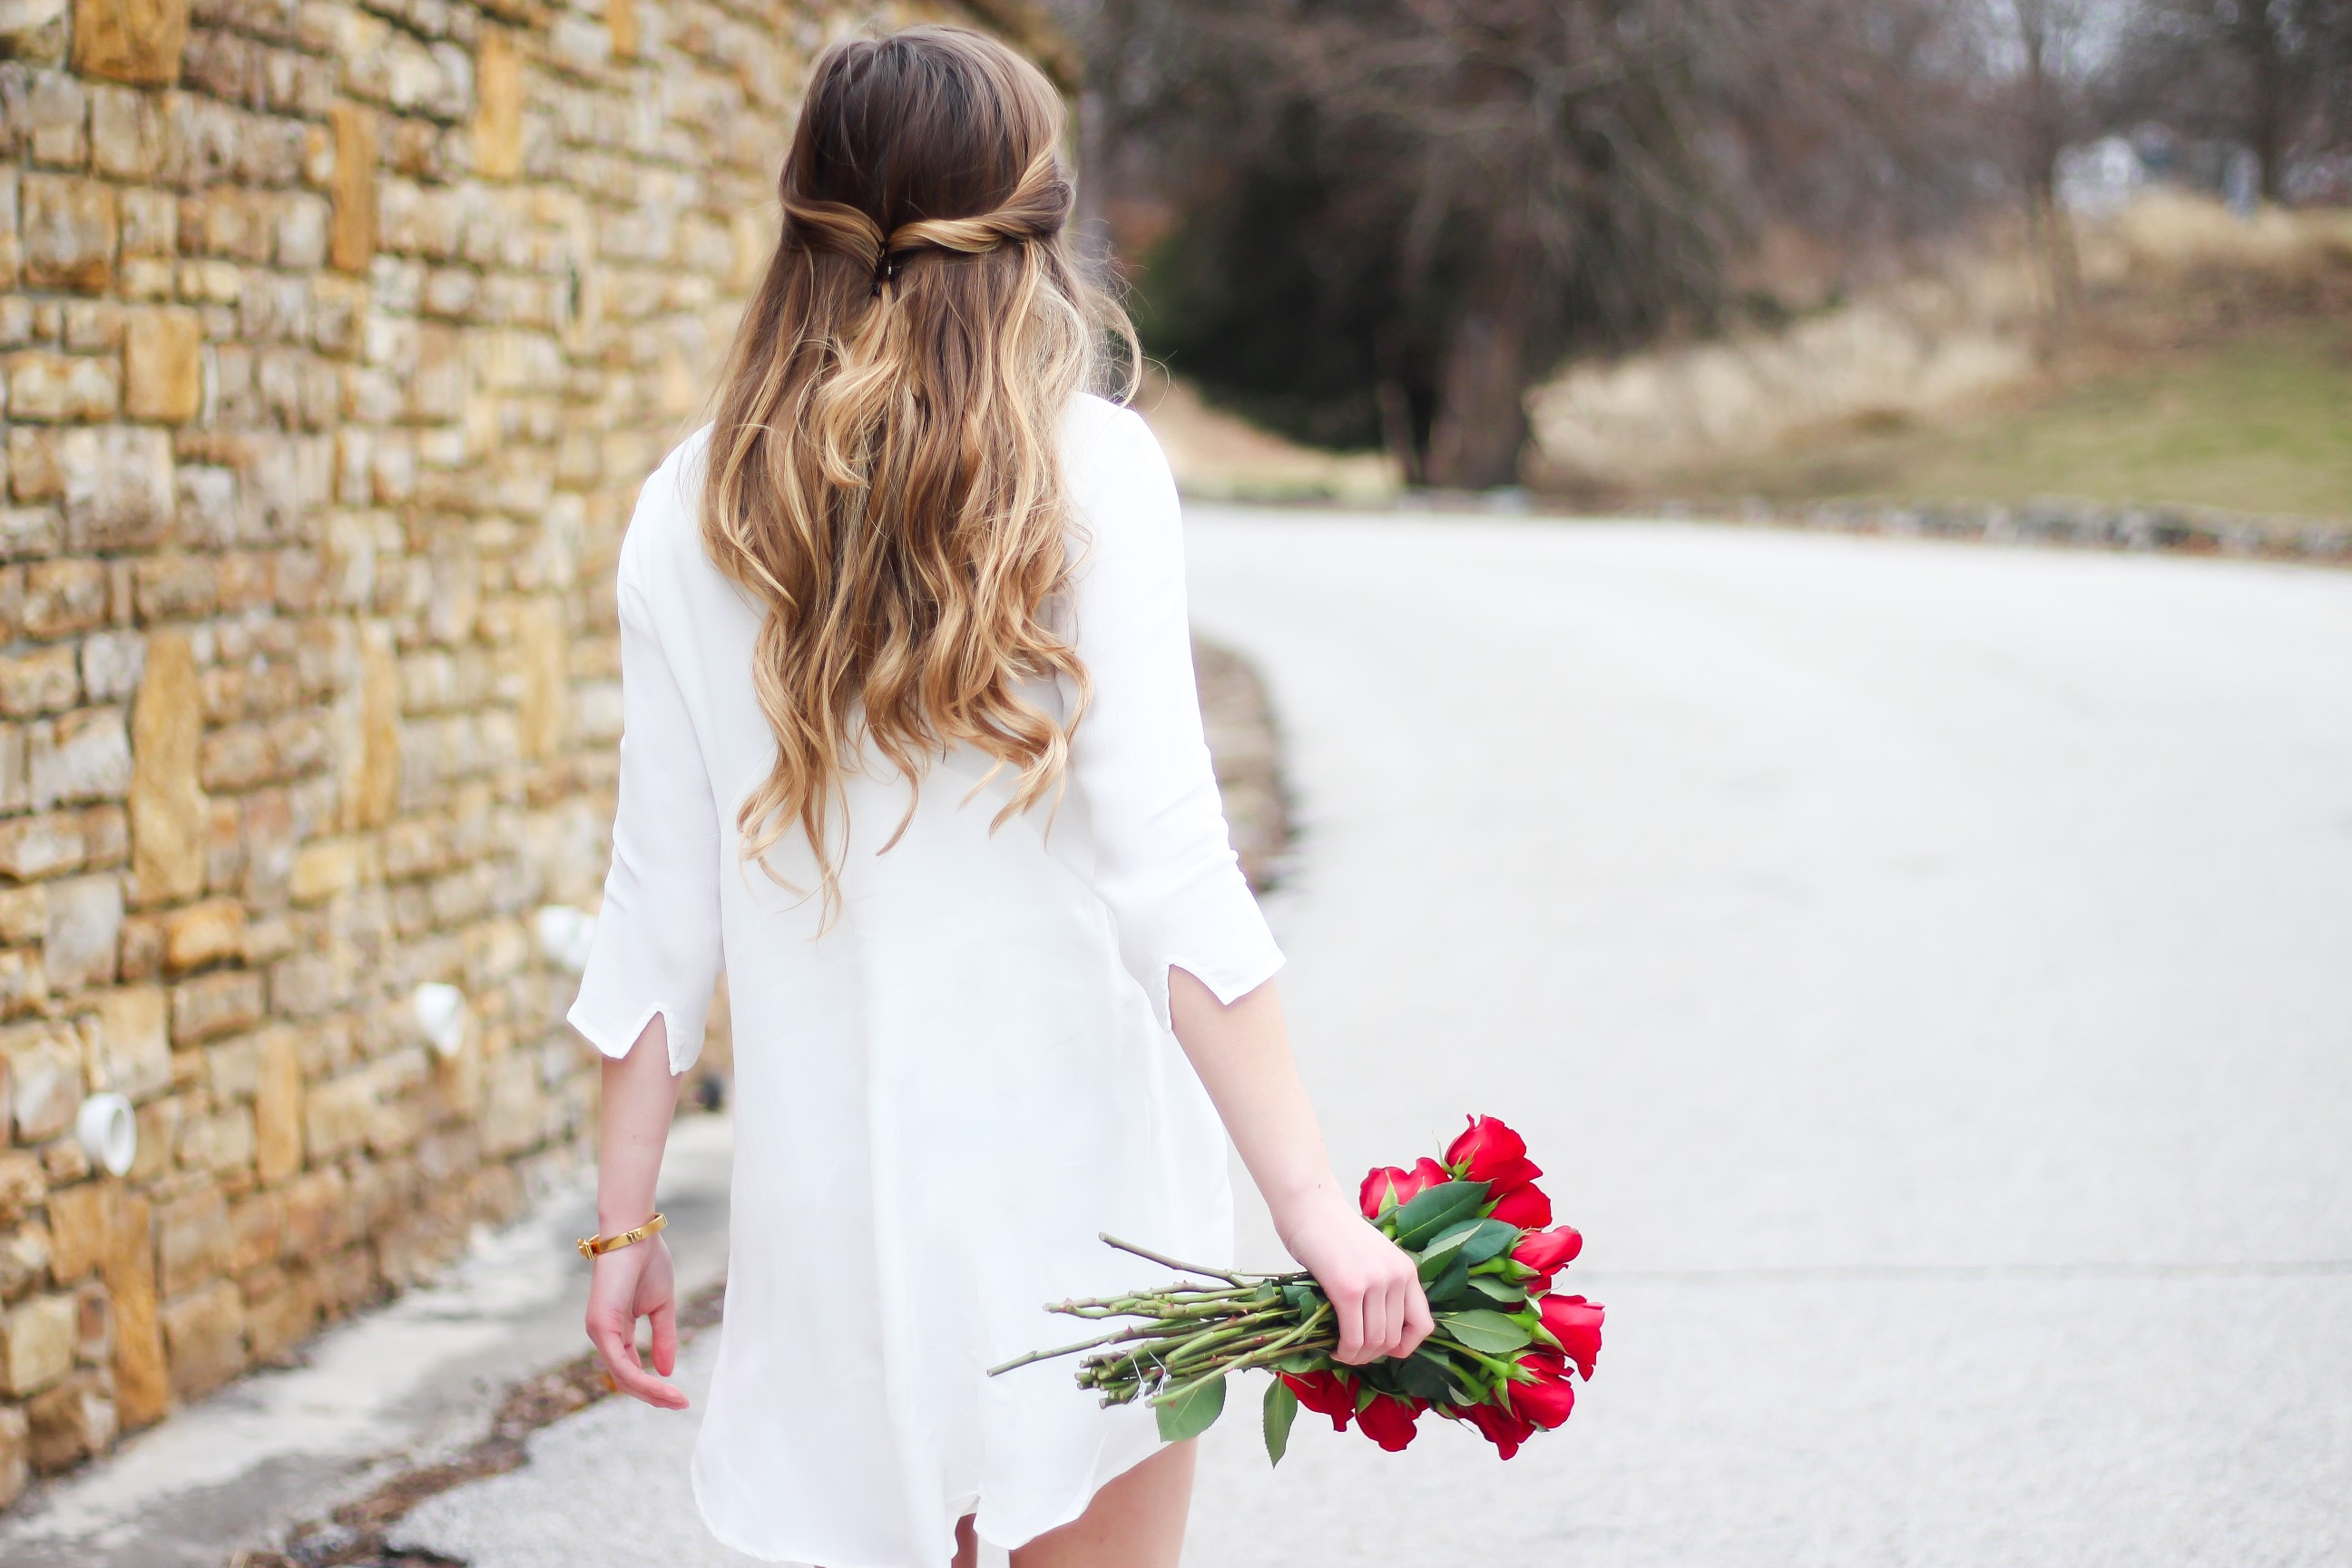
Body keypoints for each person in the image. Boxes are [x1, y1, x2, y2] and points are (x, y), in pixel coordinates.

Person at [571, 24, 1432, 1568]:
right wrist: (1316, 1207)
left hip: (841, 1231)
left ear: (800, 222)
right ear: (1033, 230)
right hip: (1091, 1208)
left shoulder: (685, 513)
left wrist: (626, 1225)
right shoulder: (1091, 473)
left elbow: (656, 912)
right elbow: (1175, 873)